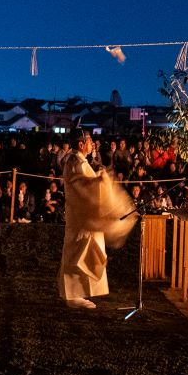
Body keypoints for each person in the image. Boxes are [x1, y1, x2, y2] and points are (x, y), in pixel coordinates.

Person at [57, 130, 134, 309]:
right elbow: (85, 188)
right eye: (90, 141)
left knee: (84, 252)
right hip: (81, 217)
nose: (93, 144)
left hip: (81, 216)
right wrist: (102, 180)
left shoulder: (78, 161)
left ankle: (77, 292)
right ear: (81, 144)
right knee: (78, 253)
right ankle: (73, 295)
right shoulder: (76, 161)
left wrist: (99, 177)